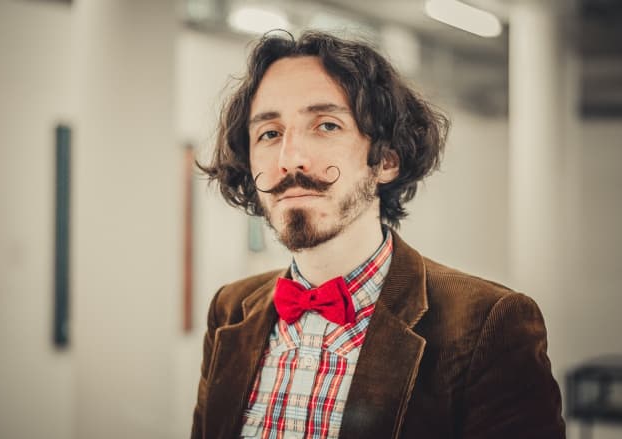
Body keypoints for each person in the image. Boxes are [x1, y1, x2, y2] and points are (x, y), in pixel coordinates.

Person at [192, 30, 565, 439]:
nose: (290, 158)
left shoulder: (489, 325)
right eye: (269, 133)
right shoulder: (230, 310)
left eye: (326, 125)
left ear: (387, 160)